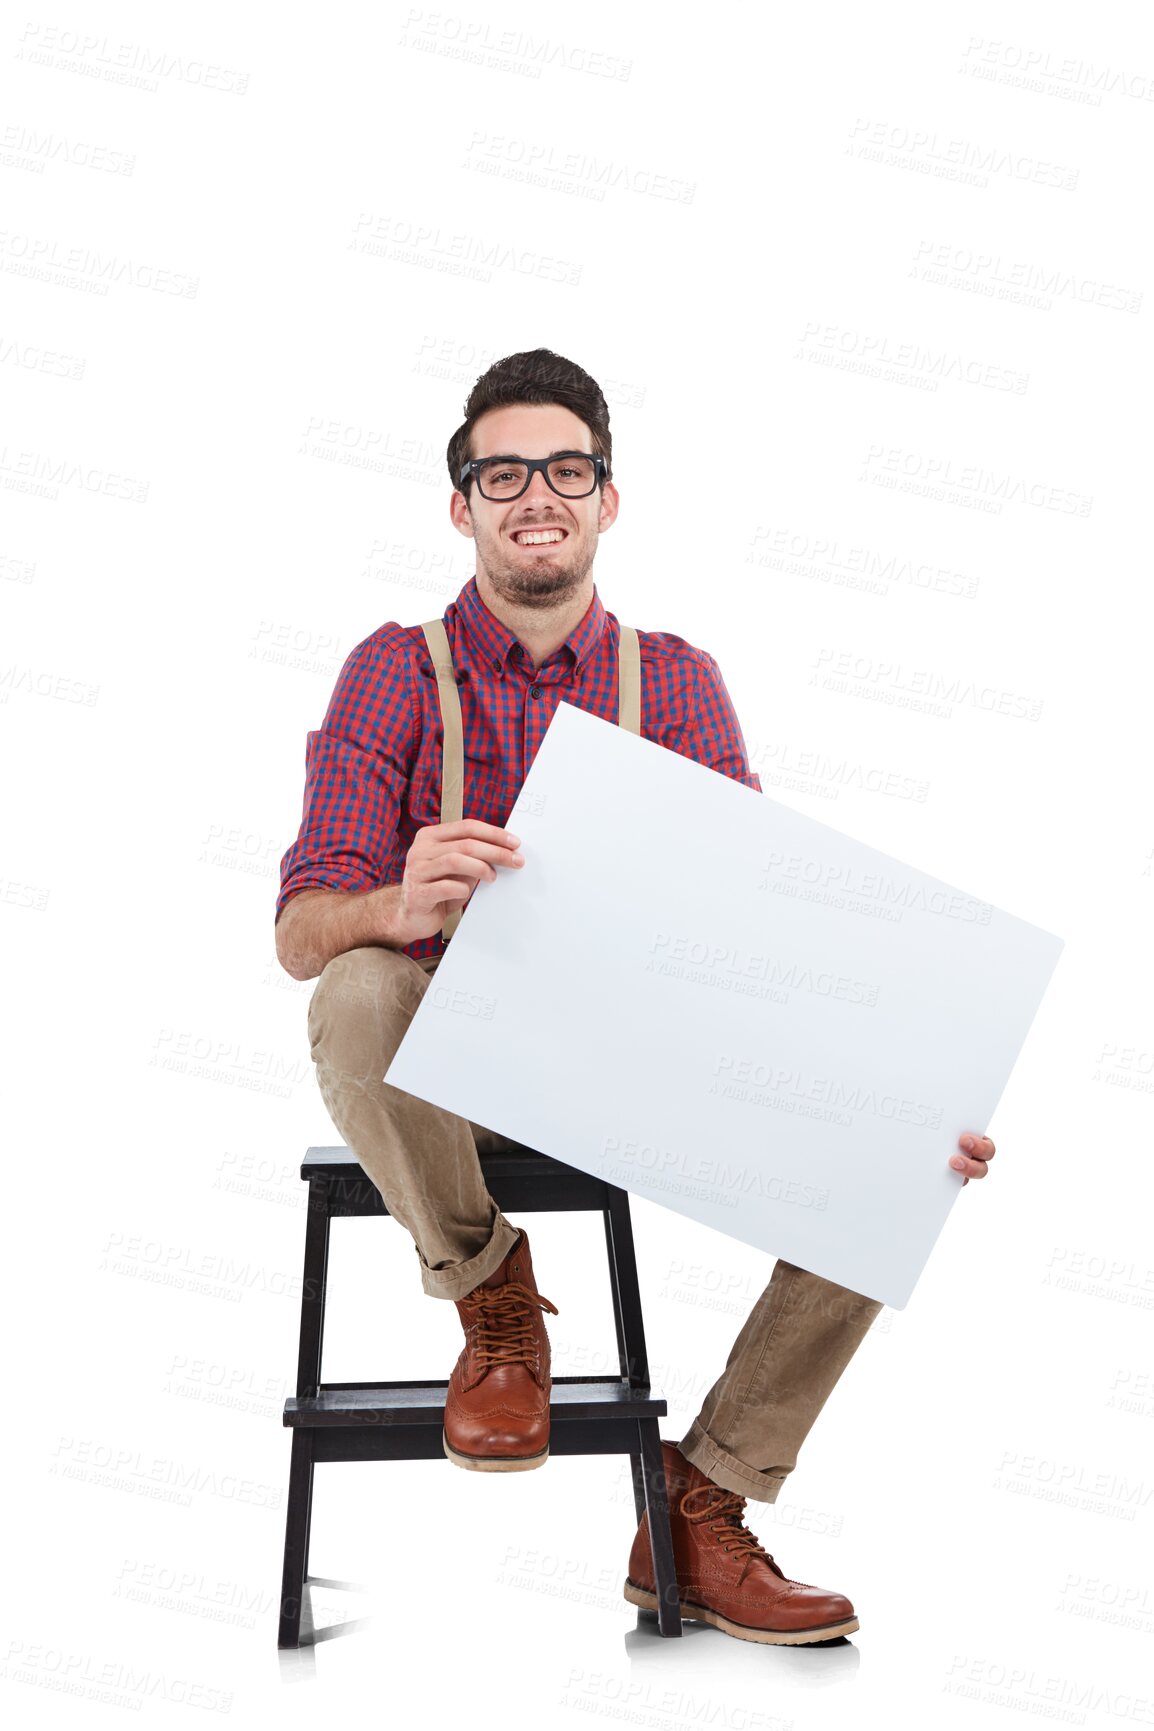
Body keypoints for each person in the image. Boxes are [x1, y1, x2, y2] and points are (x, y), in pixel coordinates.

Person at [274, 348, 996, 1647]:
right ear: (462, 504)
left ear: (607, 498)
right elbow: (299, 931)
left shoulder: (672, 679)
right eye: (502, 472)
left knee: (903, 1147)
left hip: (629, 1072)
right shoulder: (392, 669)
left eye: (564, 468)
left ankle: (696, 1503)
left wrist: (896, 1087)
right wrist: (393, 904)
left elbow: (765, 928)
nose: (533, 493)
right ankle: (493, 1299)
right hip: (440, 1091)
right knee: (357, 986)